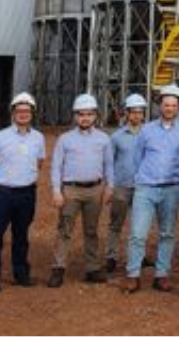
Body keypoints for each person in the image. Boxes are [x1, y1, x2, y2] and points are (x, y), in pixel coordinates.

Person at [122, 84, 179, 293]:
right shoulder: (146, 130)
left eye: (173, 105)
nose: (169, 108)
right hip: (146, 188)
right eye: (166, 104)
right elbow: (137, 158)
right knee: (137, 233)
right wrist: (142, 179)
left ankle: (161, 275)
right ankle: (133, 275)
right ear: (159, 106)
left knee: (167, 233)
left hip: (172, 188)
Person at [0, 92, 46, 293]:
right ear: (13, 113)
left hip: (26, 193)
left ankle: (21, 274)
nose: (23, 114)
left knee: (21, 235)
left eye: (27, 111)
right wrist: (1, 180)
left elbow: (39, 162)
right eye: (19, 111)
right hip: (3, 194)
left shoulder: (38, 138)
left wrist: (24, 177)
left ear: (32, 113)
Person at [48, 93, 114, 287]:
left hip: (95, 190)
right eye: (81, 114)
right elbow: (56, 167)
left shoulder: (104, 139)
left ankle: (93, 268)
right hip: (71, 190)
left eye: (89, 114)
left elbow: (109, 164)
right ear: (75, 116)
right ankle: (58, 268)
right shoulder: (65, 139)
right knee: (65, 229)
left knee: (92, 230)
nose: (85, 118)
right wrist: (56, 191)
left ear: (95, 116)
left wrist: (110, 186)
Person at [105, 93, 146, 274]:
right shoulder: (116, 137)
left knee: (139, 225)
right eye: (133, 112)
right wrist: (110, 185)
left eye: (140, 112)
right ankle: (111, 257)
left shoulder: (149, 134)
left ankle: (138, 256)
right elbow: (109, 163)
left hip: (143, 187)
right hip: (121, 187)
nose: (136, 116)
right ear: (126, 113)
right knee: (116, 223)